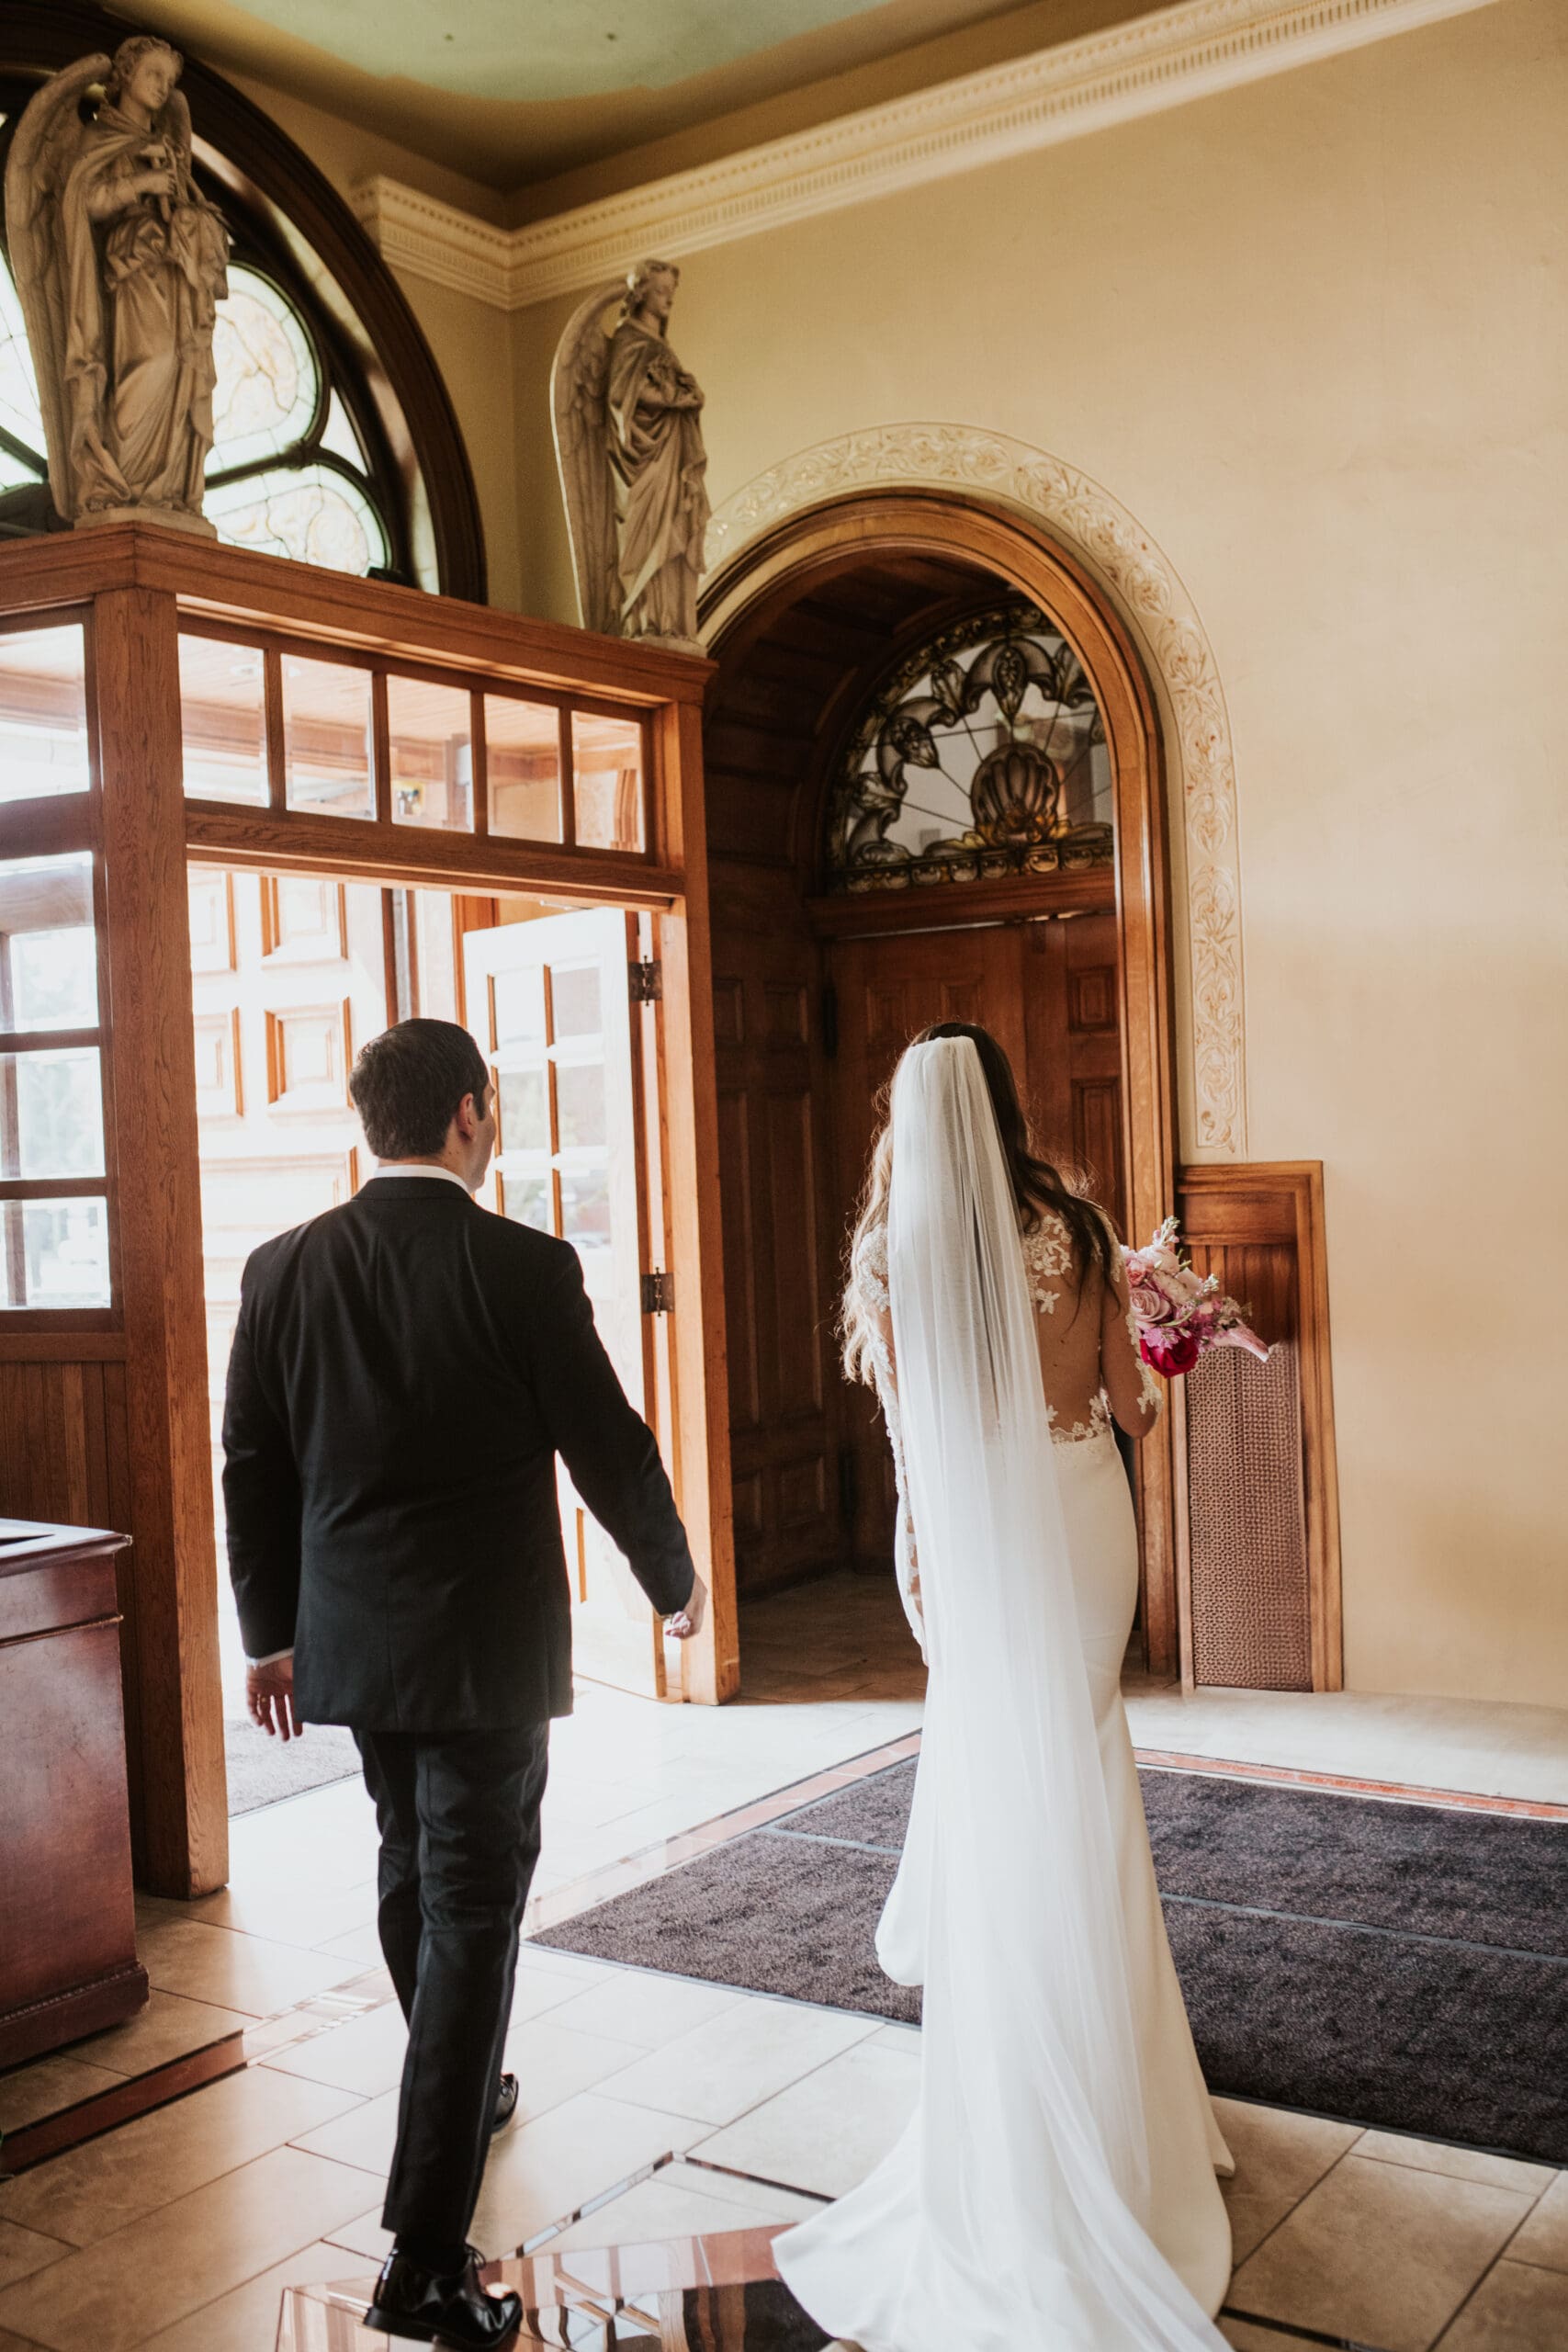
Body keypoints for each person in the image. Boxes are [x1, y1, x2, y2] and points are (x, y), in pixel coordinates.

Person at [222, 1018, 705, 2350]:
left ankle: (466, 2077)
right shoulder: (524, 1266)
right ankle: (424, 2259)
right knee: (473, 1908)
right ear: (473, 1116)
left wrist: (269, 1632)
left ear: (369, 1121)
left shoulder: (282, 1269)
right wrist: (672, 1582)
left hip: (354, 1650)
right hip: (488, 1655)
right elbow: (608, 1444)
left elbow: (249, 1463)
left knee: (410, 1872)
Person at [774, 1023, 1233, 2351]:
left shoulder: (891, 1256)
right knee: (1085, 1762)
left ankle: (1030, 2084)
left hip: (976, 1551)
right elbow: (1129, 1415)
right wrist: (1162, 1342)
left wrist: (927, 1586)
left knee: (1000, 1782)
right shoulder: (1083, 1230)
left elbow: (919, 1454)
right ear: (1009, 1106)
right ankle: (1127, 2089)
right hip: (1088, 1522)